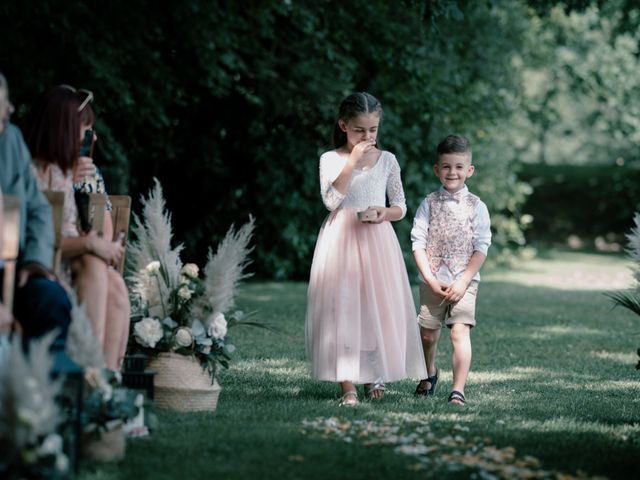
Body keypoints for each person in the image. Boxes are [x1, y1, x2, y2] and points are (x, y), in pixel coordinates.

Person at [305, 92, 427, 406]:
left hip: (377, 241)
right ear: (343, 125)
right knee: (343, 308)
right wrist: (352, 164)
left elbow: (400, 205)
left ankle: (376, 374)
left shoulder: (387, 160)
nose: (367, 136)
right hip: (341, 242)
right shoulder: (330, 159)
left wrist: (383, 213)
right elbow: (331, 202)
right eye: (360, 130)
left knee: (376, 307)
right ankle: (347, 384)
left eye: (373, 130)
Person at [25, 85, 131, 370]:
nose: (93, 138)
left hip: (73, 266)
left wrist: (76, 181)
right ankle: (90, 374)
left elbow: (105, 236)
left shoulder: (70, 172)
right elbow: (41, 241)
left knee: (116, 285)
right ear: (64, 130)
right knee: (96, 266)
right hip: (47, 270)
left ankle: (108, 383)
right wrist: (89, 244)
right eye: (86, 131)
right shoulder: (31, 173)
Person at [411, 135, 491, 406]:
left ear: (469, 170)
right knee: (427, 333)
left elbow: (481, 247)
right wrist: (430, 280)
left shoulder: (477, 207)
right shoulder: (428, 203)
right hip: (433, 279)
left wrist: (464, 280)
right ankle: (430, 373)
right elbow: (417, 242)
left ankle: (458, 389)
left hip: (463, 282)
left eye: (459, 167)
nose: (452, 172)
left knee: (459, 332)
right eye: (446, 166)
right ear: (437, 169)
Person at [0, 72, 72, 343]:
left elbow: (39, 210)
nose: (9, 112)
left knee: (51, 300)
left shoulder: (11, 140)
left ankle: (45, 385)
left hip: (15, 270)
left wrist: (35, 261)